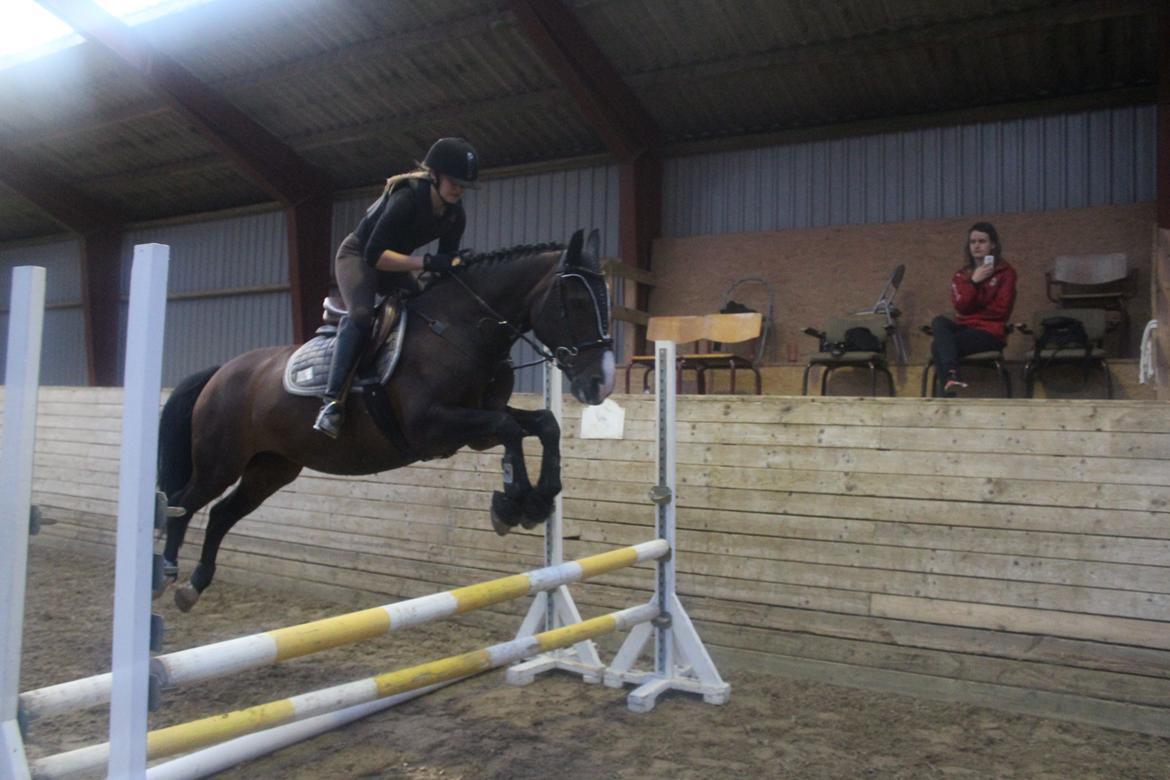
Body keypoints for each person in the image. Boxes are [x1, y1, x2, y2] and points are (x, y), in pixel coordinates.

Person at [313, 137, 479, 438]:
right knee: (362, 315)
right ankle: (331, 402)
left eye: (463, 185)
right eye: (454, 182)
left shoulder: (455, 214)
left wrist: (454, 266)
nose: (458, 190)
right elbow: (374, 255)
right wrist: (427, 261)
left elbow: (444, 262)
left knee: (426, 307)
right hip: (360, 256)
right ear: (435, 176)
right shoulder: (407, 198)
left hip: (397, 262)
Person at [930, 222, 1018, 396]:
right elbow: (961, 307)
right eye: (972, 242)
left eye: (982, 241)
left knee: (937, 346)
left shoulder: (1006, 273)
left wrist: (973, 309)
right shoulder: (962, 275)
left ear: (993, 245)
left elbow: (1001, 310)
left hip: (990, 332)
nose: (976, 246)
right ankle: (952, 378)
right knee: (939, 322)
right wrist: (973, 282)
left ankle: (948, 393)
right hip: (966, 328)